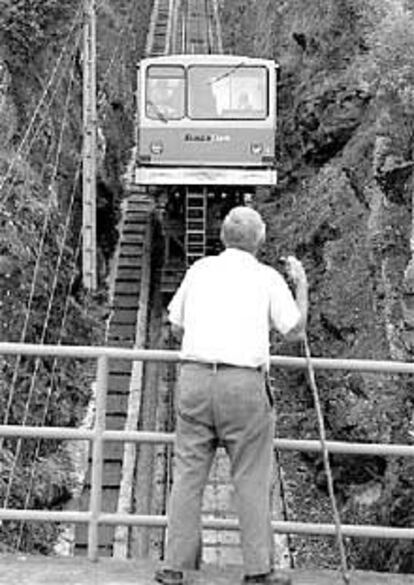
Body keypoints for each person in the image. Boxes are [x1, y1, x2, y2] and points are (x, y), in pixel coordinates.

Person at [155, 206, 308, 585]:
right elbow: (294, 331)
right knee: (252, 479)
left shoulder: (200, 270)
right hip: (243, 386)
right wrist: (301, 285)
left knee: (188, 477)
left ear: (223, 237)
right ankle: (258, 570)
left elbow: (175, 325)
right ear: (260, 239)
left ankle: (176, 567)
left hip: (194, 381)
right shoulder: (268, 277)